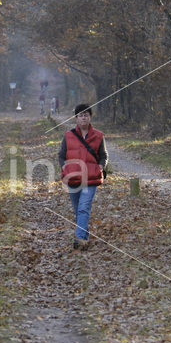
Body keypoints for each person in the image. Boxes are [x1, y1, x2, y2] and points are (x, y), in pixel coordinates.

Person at [58, 104, 108, 250]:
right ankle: (84, 237)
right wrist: (64, 166)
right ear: (76, 118)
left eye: (86, 114)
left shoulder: (99, 136)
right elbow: (61, 155)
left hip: (90, 179)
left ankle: (79, 239)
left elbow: (104, 155)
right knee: (77, 209)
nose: (83, 117)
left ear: (90, 117)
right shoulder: (68, 135)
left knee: (83, 208)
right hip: (73, 179)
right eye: (80, 115)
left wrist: (100, 166)